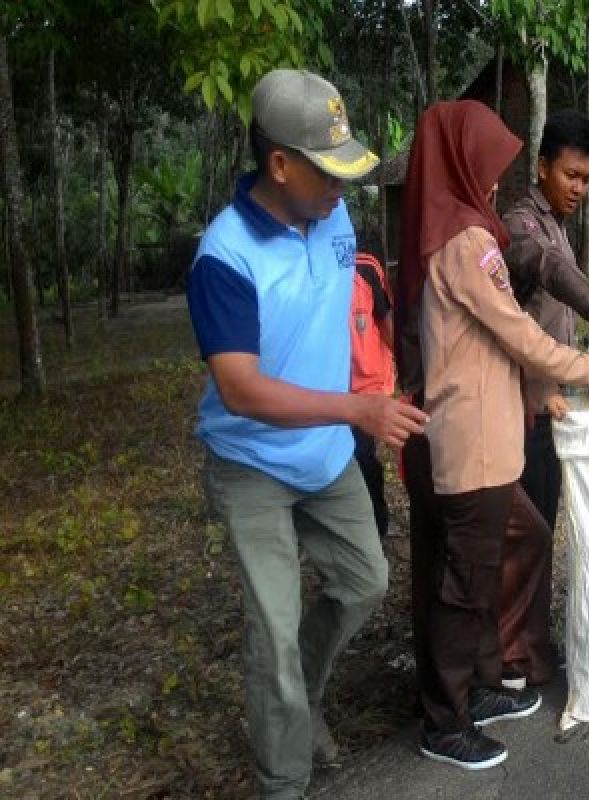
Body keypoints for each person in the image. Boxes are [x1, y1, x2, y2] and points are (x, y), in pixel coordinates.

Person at [186, 69, 427, 799]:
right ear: (280, 164)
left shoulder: (336, 217)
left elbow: (350, 313)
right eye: (329, 171)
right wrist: (357, 412)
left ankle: (301, 697)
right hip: (250, 460)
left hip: (322, 453)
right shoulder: (223, 257)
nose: (342, 187)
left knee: (365, 581)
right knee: (272, 628)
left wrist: (379, 384)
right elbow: (242, 389)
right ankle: (282, 780)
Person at [398, 99, 589, 770]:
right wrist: (587, 369)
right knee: (464, 580)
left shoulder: (447, 233)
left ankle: (480, 686)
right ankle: (446, 721)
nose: (494, 180)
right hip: (474, 440)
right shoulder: (469, 242)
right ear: (461, 162)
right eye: (489, 166)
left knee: (476, 566)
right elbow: (520, 331)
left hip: (471, 432)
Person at [498, 110, 589, 690]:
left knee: (542, 527)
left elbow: (550, 316)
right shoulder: (521, 224)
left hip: (553, 400)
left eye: (587, 179)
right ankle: (512, 656)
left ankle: (531, 641)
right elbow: (547, 272)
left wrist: (583, 374)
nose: (580, 189)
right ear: (542, 167)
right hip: (524, 406)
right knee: (527, 532)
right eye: (571, 175)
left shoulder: (556, 223)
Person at [349, 251, 396, 538]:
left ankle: (376, 528)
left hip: (365, 388)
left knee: (364, 458)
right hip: (327, 389)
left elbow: (386, 317)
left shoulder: (365, 268)